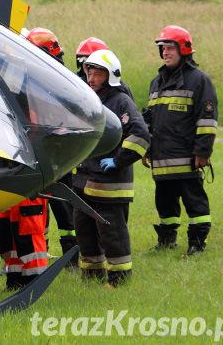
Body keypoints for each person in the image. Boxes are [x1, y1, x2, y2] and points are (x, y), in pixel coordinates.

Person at [73, 49, 150, 288]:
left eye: (97, 74)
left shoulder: (120, 101)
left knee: (112, 233)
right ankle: (92, 275)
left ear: (110, 76)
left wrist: (118, 160)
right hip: (84, 182)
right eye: (89, 72)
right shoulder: (87, 99)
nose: (92, 79)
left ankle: (119, 277)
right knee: (84, 230)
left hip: (109, 183)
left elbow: (141, 135)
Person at [142, 25, 217, 256]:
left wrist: (202, 152)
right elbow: (150, 119)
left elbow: (207, 119)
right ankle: (166, 241)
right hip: (161, 158)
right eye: (162, 48)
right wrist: (146, 148)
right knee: (164, 202)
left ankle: (197, 244)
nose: (165, 52)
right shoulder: (157, 82)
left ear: (184, 49)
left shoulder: (199, 80)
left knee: (195, 203)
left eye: (170, 47)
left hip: (187, 158)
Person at [24, 27, 78, 269]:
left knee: (64, 208)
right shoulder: (30, 79)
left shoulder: (63, 81)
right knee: (38, 209)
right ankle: (41, 253)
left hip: (60, 154)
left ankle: (73, 257)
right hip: (39, 153)